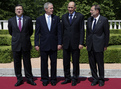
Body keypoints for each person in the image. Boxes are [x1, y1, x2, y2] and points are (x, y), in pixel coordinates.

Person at [8, 5, 36, 86]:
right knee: (17, 63)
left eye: (20, 9)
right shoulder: (11, 20)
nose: (19, 10)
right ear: (15, 11)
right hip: (16, 44)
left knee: (27, 62)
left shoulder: (28, 19)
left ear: (23, 10)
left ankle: (29, 78)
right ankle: (19, 79)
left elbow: (30, 31)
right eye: (17, 9)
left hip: (25, 44)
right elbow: (11, 32)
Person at [35, 2, 62, 86]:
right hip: (43, 44)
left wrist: (59, 43)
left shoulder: (56, 18)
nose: (52, 9)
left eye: (52, 8)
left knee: (53, 63)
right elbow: (37, 33)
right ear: (46, 9)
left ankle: (53, 79)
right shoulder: (39, 19)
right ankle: (45, 79)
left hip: (54, 44)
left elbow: (59, 32)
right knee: (44, 63)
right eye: (51, 8)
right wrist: (36, 44)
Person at [61, 1, 84, 86]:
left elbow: (82, 30)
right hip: (66, 43)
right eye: (69, 7)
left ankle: (75, 78)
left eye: (71, 7)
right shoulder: (64, 17)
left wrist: (81, 42)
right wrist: (61, 43)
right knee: (65, 62)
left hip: (76, 43)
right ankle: (67, 78)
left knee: (75, 62)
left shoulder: (80, 16)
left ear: (75, 8)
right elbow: (62, 31)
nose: (70, 9)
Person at [86, 5, 109, 86]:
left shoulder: (104, 20)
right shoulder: (89, 20)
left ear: (97, 11)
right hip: (90, 45)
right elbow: (88, 33)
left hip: (99, 45)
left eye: (92, 10)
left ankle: (101, 79)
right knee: (92, 63)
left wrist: (105, 45)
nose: (90, 12)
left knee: (100, 63)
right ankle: (95, 78)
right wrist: (87, 44)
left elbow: (106, 33)